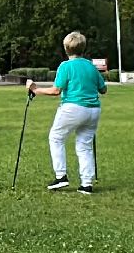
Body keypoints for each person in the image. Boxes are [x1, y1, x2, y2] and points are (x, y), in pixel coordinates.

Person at [27, 31, 106, 194]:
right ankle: (86, 184)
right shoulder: (91, 66)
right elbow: (103, 89)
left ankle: (61, 176)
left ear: (65, 48)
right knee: (84, 145)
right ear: (83, 48)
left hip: (73, 107)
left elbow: (56, 90)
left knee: (56, 137)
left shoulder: (65, 66)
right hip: (93, 110)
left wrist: (35, 90)